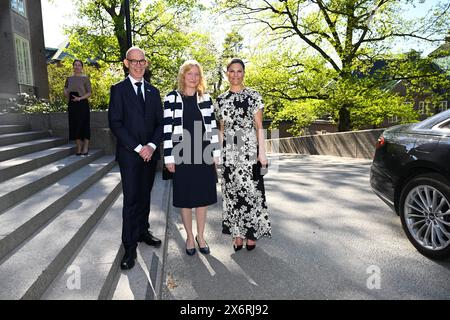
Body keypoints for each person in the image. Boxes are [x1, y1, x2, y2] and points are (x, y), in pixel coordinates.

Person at [108, 47, 163, 270]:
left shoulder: (153, 91)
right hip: (130, 155)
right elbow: (116, 123)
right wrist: (139, 147)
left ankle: (142, 231)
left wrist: (150, 146)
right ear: (126, 63)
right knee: (131, 199)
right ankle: (129, 246)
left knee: (145, 195)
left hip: (150, 154)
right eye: (134, 61)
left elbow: (161, 123)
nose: (139, 65)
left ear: (146, 63)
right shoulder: (118, 90)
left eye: (142, 61)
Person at [163, 60, 220, 256]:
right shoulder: (172, 98)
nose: (193, 78)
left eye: (197, 74)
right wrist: (168, 157)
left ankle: (201, 236)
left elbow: (212, 128)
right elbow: (167, 129)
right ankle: (189, 236)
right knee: (186, 199)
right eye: (190, 74)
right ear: (183, 76)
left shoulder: (205, 98)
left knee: (202, 198)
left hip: (203, 153)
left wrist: (215, 152)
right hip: (181, 154)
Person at [215, 58, 271, 251]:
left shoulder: (254, 96)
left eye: (239, 71)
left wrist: (262, 154)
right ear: (227, 73)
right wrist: (219, 154)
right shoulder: (221, 100)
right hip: (230, 153)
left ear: (243, 73)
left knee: (251, 193)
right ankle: (237, 234)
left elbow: (259, 127)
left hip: (249, 153)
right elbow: (221, 130)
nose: (235, 75)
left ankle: (251, 233)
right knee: (232, 194)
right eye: (232, 71)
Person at [64, 59, 91, 156]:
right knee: (74, 126)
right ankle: (79, 147)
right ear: (73, 66)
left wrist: (80, 98)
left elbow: (89, 92)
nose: (77, 67)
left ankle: (86, 146)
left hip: (82, 104)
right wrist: (65, 92)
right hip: (72, 105)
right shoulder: (69, 78)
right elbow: (66, 88)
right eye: (75, 65)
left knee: (84, 125)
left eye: (79, 65)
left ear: (82, 67)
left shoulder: (85, 78)